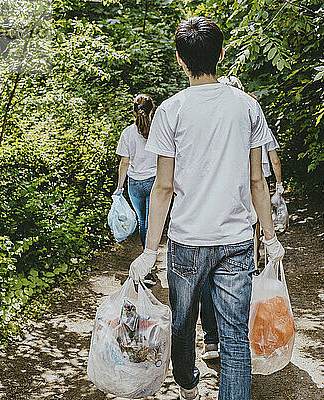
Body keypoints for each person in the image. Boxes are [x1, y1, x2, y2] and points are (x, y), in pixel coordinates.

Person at [127, 16, 285, 400]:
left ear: (180, 58)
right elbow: (256, 180)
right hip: (235, 241)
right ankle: (193, 383)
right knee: (234, 340)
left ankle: (187, 384)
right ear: (222, 53)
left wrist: (150, 251)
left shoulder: (170, 111)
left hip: (186, 241)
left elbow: (163, 186)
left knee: (183, 327)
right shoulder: (246, 106)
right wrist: (269, 236)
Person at [197, 77, 286, 362]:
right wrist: (269, 238)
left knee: (208, 282)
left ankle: (213, 338)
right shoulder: (250, 112)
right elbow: (261, 174)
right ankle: (233, 335)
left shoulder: (208, 121)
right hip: (241, 218)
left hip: (210, 218)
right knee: (237, 281)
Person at [114, 94, 158, 287]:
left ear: (134, 111)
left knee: (143, 223)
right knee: (152, 221)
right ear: (152, 111)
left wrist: (119, 187)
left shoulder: (127, 133)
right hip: (155, 181)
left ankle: (146, 261)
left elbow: (125, 162)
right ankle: (149, 263)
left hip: (135, 183)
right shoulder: (157, 131)